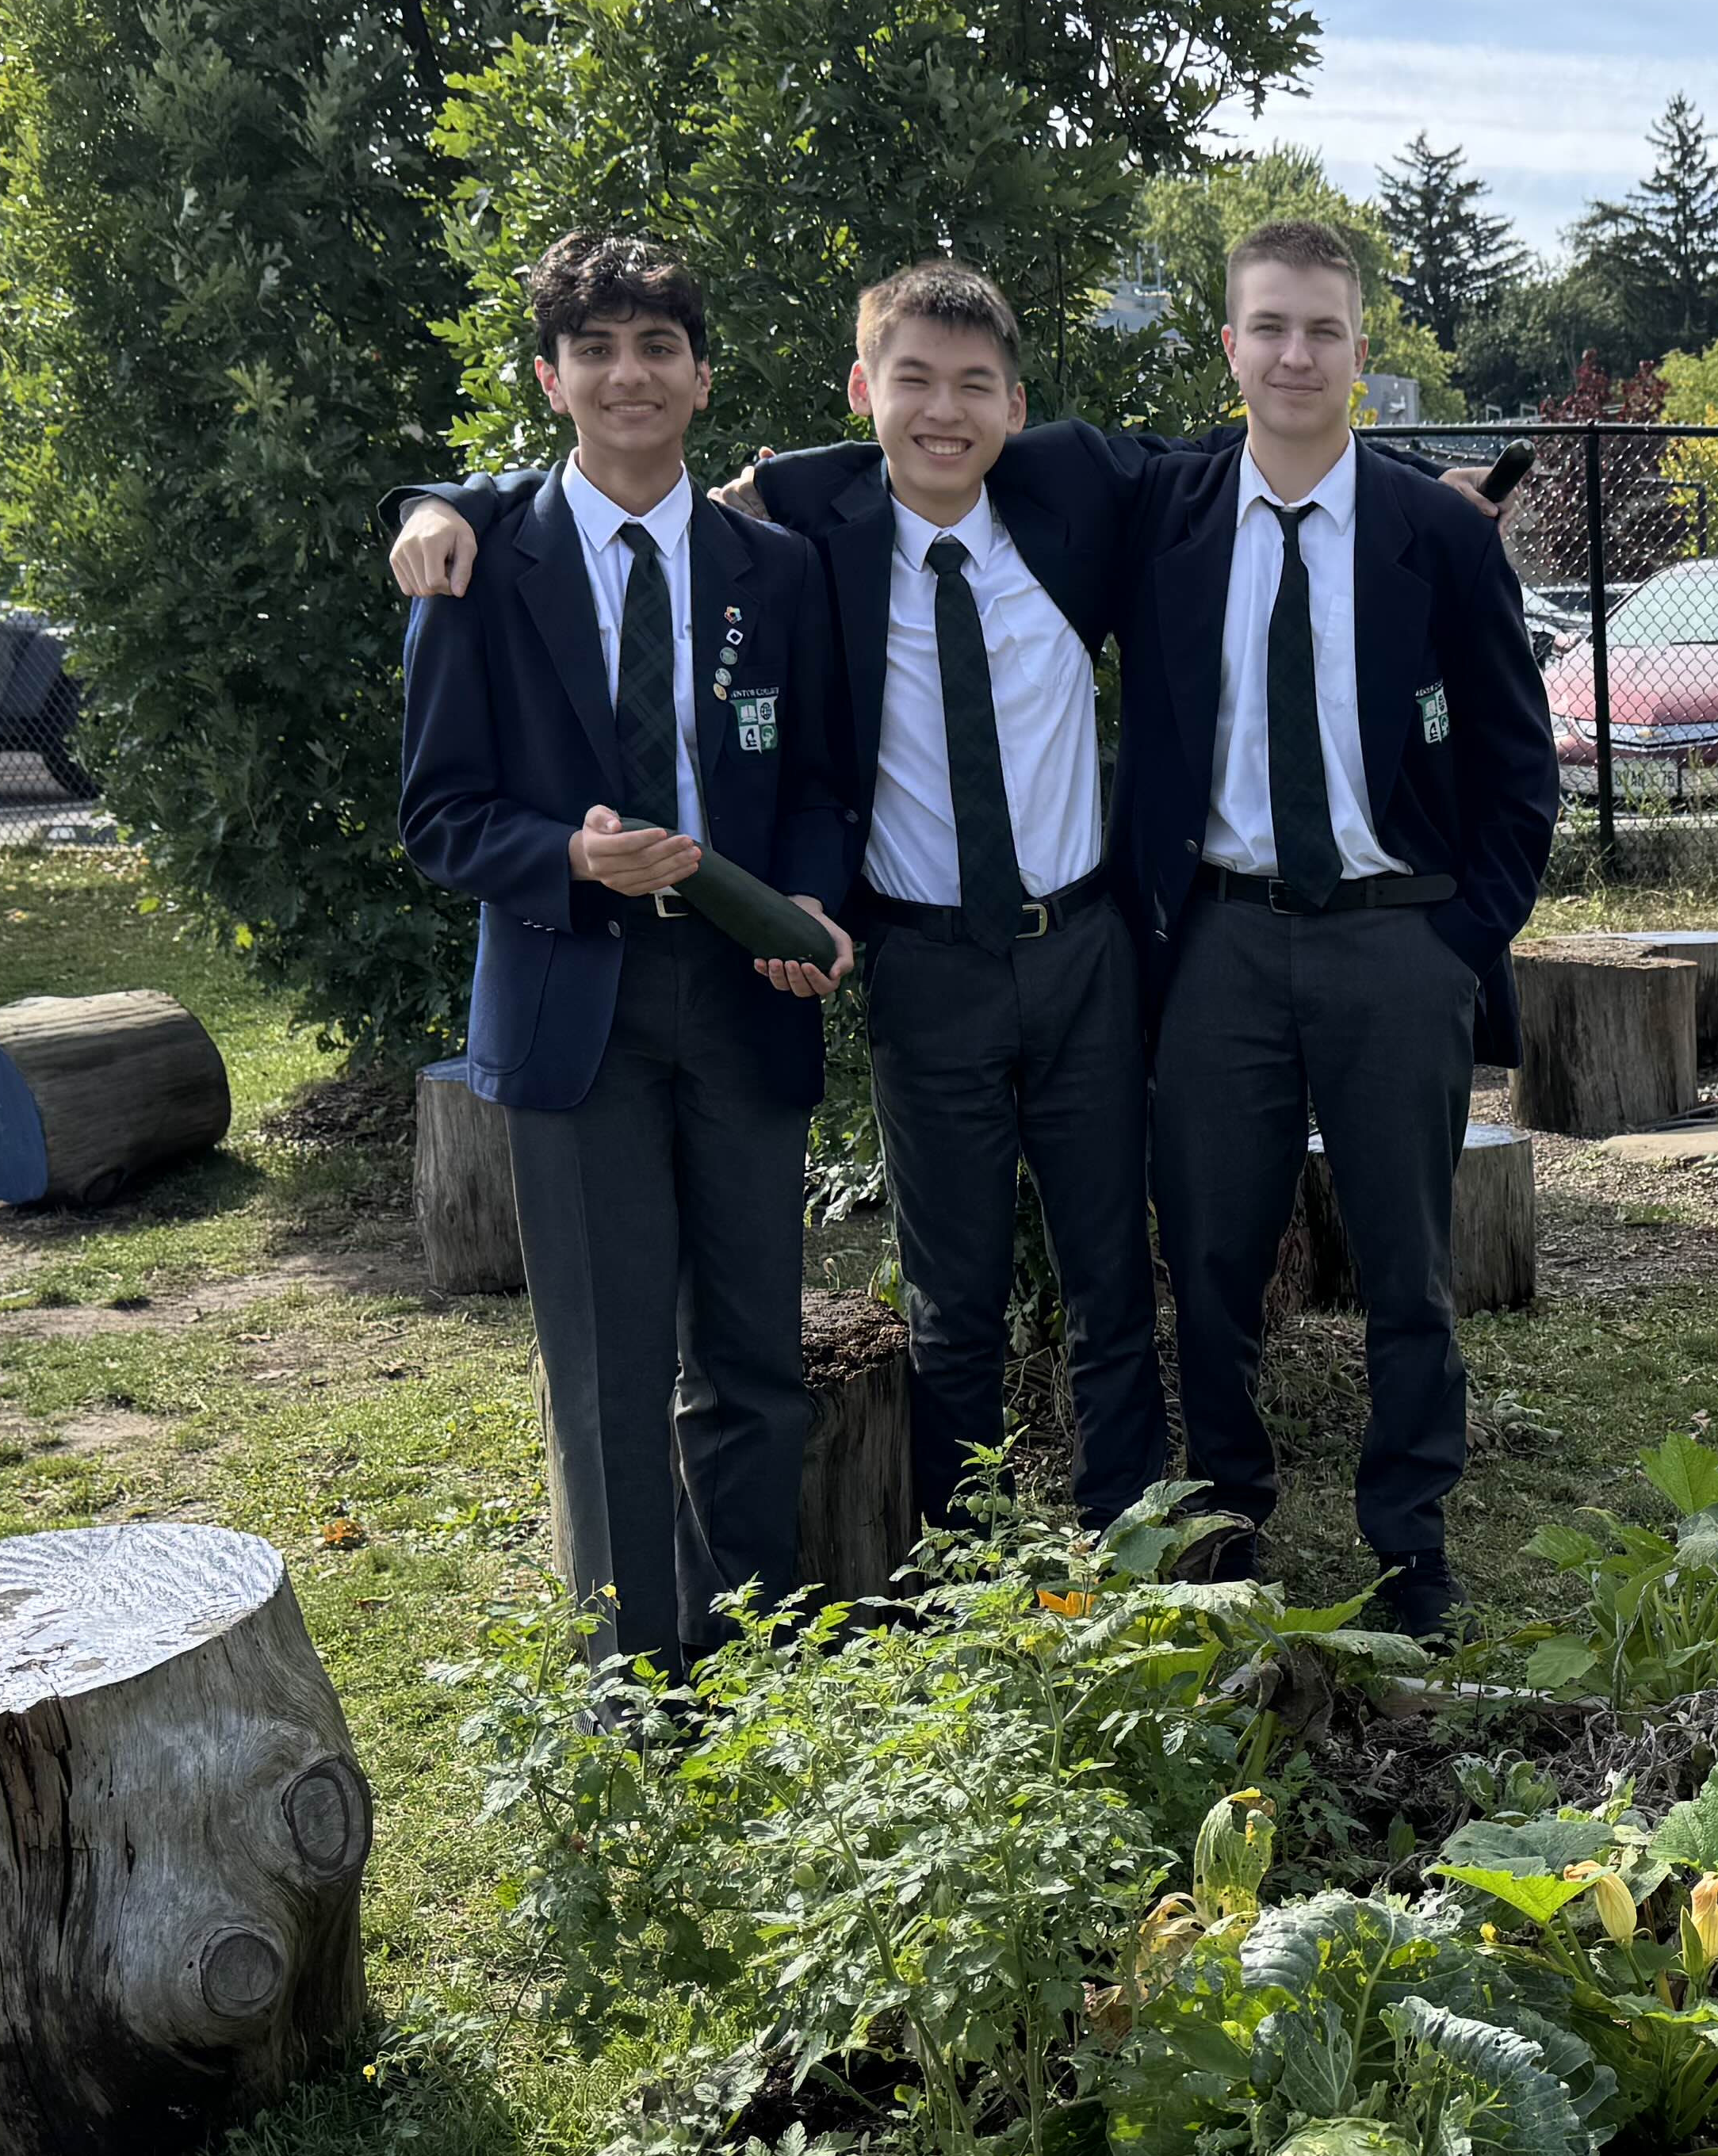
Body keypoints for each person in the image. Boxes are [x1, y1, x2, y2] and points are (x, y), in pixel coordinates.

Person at [393, 265, 1166, 1533]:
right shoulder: (792, 546)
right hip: (877, 968)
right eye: (908, 380)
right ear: (862, 392)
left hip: (1040, 957)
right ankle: (923, 1586)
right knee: (936, 1303)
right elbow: (446, 792)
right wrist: (430, 503)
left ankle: (1128, 1560)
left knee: (1091, 1288)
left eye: (974, 386)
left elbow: (1247, 449)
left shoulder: (986, 526)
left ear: (1016, 406)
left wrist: (805, 901)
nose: (941, 410)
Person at [396, 231, 855, 1679]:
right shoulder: (477, 568)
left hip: (744, 991)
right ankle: (632, 1690)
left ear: (702, 377)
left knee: (754, 1360)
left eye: (657, 347)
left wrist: (817, 911)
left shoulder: (774, 572)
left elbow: (826, 787)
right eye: (594, 349)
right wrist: (571, 860)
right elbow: (442, 818)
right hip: (570, 992)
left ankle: (753, 1663)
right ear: (551, 379)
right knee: (604, 1377)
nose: (628, 374)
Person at [1123, 220, 1556, 1640]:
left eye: (1323, 330)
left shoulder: (1437, 532)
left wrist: (1461, 935)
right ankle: (1232, 1517)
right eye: (1269, 327)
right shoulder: (1168, 516)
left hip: (1396, 943)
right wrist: (452, 498)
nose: (1295, 353)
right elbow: (936, 462)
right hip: (1223, 943)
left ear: (1363, 355)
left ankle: (1408, 1538)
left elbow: (1516, 761)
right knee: (1211, 1255)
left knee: (1409, 1263)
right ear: (1229, 347)